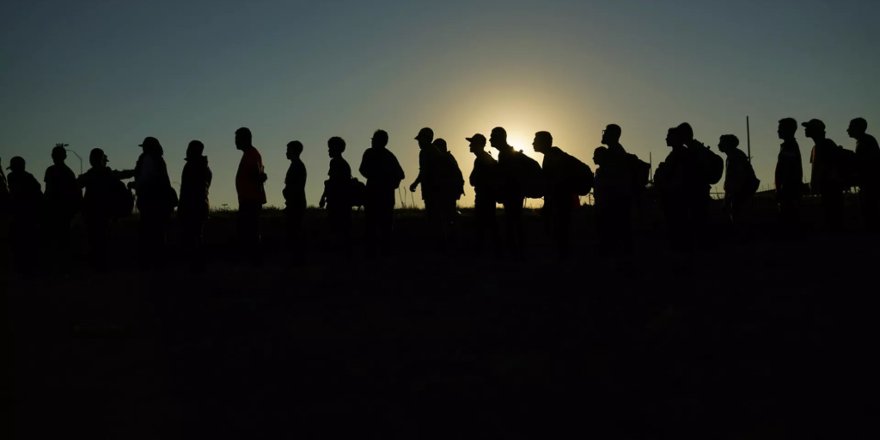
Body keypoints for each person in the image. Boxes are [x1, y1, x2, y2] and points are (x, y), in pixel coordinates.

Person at [78, 148, 135, 269]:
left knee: (95, 239)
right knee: (103, 239)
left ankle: (98, 264)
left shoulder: (90, 175)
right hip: (104, 213)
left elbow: (76, 185)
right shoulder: (107, 174)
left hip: (93, 213)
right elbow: (123, 174)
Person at [358, 129, 405, 257]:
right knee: (383, 226)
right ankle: (382, 253)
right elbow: (400, 175)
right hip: (384, 196)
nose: (372, 141)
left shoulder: (370, 153)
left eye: (373, 139)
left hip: (374, 195)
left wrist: (376, 177)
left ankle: (374, 253)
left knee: (372, 225)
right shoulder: (390, 156)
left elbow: (362, 170)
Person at [532, 131, 578, 259]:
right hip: (559, 203)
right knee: (559, 235)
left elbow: (555, 183)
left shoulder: (554, 156)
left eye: (536, 140)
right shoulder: (551, 155)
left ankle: (564, 263)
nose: (533, 143)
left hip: (561, 204)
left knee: (561, 234)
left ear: (543, 142)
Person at [133, 137, 176, 267]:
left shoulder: (147, 159)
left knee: (149, 233)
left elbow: (145, 178)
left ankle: (151, 262)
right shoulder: (159, 160)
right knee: (159, 233)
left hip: (151, 202)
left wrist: (135, 184)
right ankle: (160, 262)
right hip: (162, 203)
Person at [594, 124, 636, 256]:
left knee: (615, 237)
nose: (603, 134)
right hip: (615, 201)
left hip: (614, 203)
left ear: (612, 135)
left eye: (605, 132)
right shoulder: (616, 152)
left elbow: (611, 181)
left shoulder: (613, 155)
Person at [43, 145, 82, 269]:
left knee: (57, 238)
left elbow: (48, 191)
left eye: (55, 154)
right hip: (63, 210)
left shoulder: (52, 171)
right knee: (62, 238)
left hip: (57, 209)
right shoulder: (67, 172)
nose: (54, 157)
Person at [490, 126, 527, 257]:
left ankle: (516, 253)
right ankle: (517, 251)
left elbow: (508, 177)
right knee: (514, 222)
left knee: (513, 222)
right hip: (514, 194)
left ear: (499, 138)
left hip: (512, 194)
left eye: (492, 136)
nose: (490, 139)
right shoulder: (506, 153)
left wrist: (501, 190)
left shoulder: (506, 154)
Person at [235, 127, 268, 264]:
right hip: (249, 198)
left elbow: (257, 176)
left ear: (244, 139)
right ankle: (254, 259)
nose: (235, 142)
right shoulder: (251, 154)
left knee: (250, 232)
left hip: (250, 199)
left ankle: (254, 260)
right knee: (250, 231)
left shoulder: (251, 155)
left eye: (237, 139)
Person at [178, 140, 212, 271]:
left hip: (192, 208)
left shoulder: (192, 166)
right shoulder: (204, 168)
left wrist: (182, 209)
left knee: (192, 238)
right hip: (200, 207)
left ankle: (195, 267)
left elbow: (188, 191)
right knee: (197, 236)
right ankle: (198, 266)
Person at [6, 156, 43, 275]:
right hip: (24, 215)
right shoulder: (26, 178)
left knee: (24, 243)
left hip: (25, 215)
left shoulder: (17, 178)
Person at [805, 119, 844, 230]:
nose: (805, 130)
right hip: (825, 188)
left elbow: (828, 166)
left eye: (808, 127)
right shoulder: (816, 147)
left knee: (833, 219)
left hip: (831, 187)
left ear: (815, 130)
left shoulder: (826, 144)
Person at [467, 133, 500, 255]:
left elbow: (474, 180)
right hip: (486, 195)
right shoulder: (483, 158)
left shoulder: (482, 159)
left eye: (472, 143)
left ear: (478, 145)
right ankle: (494, 249)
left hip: (485, 196)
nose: (470, 145)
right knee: (488, 223)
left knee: (483, 223)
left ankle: (486, 250)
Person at [718, 134, 757, 235]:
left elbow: (736, 179)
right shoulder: (734, 156)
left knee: (739, 219)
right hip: (739, 193)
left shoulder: (735, 157)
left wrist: (728, 197)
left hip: (740, 193)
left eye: (721, 142)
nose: (719, 145)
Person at [320, 136, 353, 255]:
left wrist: (323, 196)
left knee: (336, 228)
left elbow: (332, 182)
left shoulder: (336, 163)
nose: (328, 150)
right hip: (343, 201)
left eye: (330, 148)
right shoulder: (343, 163)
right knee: (343, 229)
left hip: (337, 202)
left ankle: (338, 254)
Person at [847, 117, 880, 231]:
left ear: (857, 128)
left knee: (869, 207)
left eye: (850, 127)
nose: (847, 130)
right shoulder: (866, 140)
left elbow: (866, 163)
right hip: (869, 181)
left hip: (870, 182)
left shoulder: (866, 141)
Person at [409, 127, 441, 243]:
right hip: (438, 189)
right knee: (437, 217)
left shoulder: (425, 151)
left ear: (426, 139)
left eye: (420, 140)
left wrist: (415, 183)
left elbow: (424, 171)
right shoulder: (435, 151)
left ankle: (436, 243)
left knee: (433, 217)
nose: (418, 143)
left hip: (432, 189)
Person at [432, 138, 464, 251]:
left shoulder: (445, 159)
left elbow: (456, 176)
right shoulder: (447, 158)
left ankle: (450, 243)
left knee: (447, 218)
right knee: (447, 217)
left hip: (447, 193)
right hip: (448, 192)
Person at [775, 117, 804, 233]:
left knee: (789, 218)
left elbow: (787, 169)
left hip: (788, 189)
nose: (778, 131)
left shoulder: (789, 146)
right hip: (788, 189)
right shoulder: (789, 145)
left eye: (780, 128)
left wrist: (782, 189)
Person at [283, 140, 307, 258]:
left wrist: (288, 193)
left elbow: (296, 186)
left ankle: (297, 258)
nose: (286, 152)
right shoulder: (296, 165)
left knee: (295, 231)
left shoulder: (297, 166)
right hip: (294, 202)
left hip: (296, 203)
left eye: (288, 150)